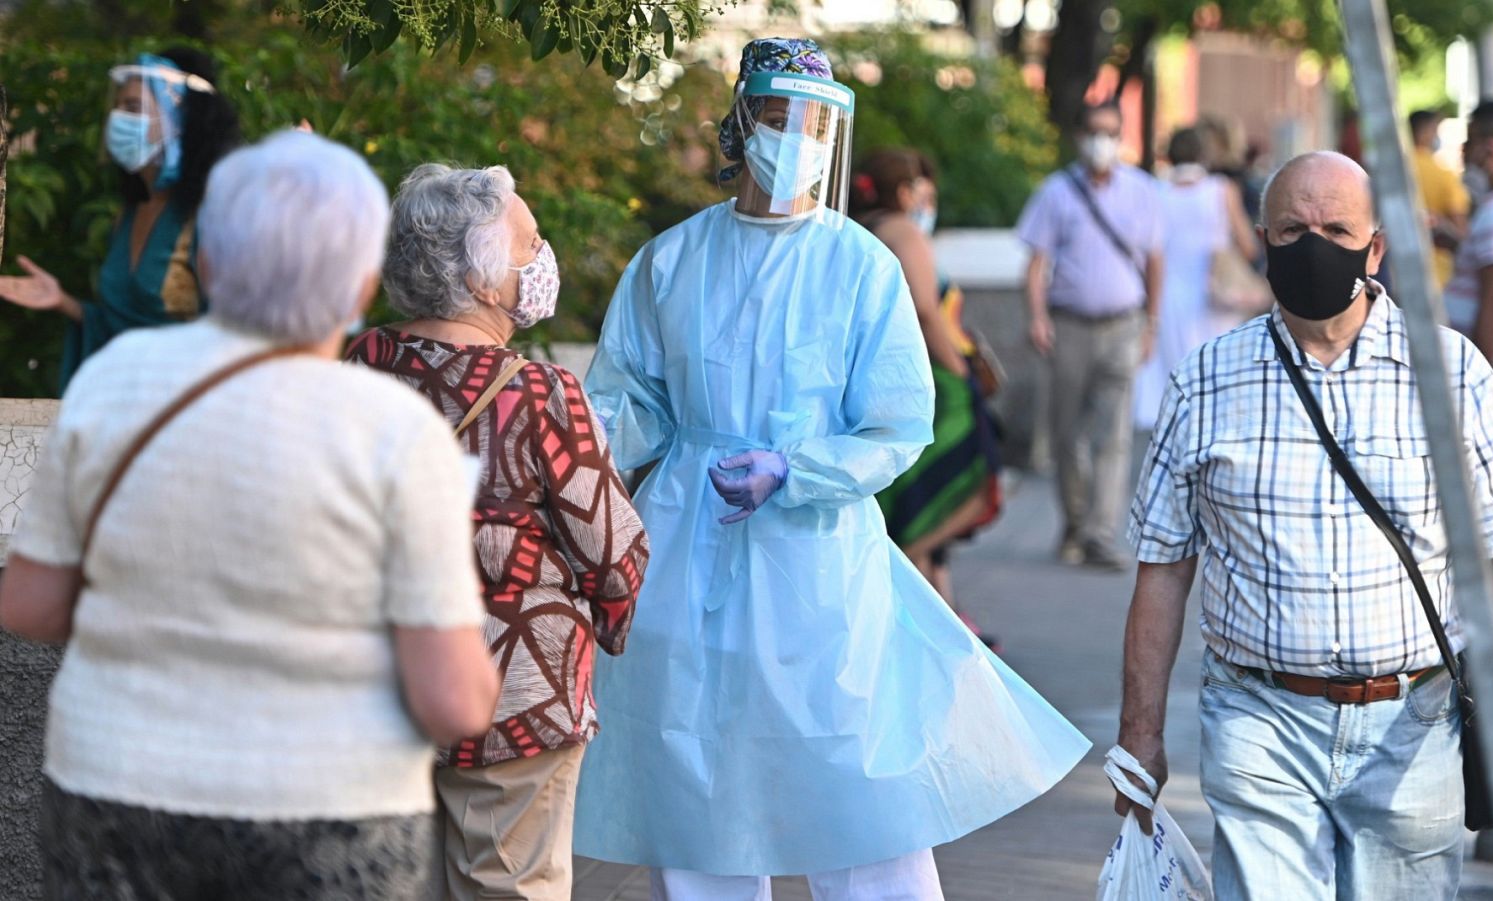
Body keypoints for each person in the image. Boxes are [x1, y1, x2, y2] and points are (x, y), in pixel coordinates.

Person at [575, 38, 1088, 899]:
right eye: (782, 121)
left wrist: (797, 469)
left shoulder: (859, 264)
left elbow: (896, 422)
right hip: (689, 539)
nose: (799, 145)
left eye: (818, 129)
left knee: (855, 776)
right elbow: (626, 399)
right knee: (694, 771)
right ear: (744, 123)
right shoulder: (672, 260)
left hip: (817, 558)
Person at [0, 131, 500, 899]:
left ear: (205, 263)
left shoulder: (113, 382)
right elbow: (455, 699)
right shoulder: (398, 432)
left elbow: (29, 604)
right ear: (363, 284)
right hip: (333, 810)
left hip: (116, 788)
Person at [1116, 151, 1493, 899]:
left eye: (1337, 230)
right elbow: (1163, 567)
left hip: (1413, 725)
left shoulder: (1451, 373)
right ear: (1261, 240)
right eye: (1292, 230)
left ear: (1374, 249)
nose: (1312, 246)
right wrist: (1141, 734)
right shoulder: (1203, 381)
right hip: (1258, 719)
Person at [347, 162, 650, 900]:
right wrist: (605, 626)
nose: (542, 258)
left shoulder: (359, 367)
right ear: (483, 282)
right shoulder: (542, 395)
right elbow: (614, 554)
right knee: (509, 887)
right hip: (514, 697)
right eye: (529, 242)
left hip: (383, 682)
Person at [0, 48, 240, 392]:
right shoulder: (129, 213)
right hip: (122, 400)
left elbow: (234, 334)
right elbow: (123, 329)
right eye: (117, 106)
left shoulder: (211, 215)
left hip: (182, 404)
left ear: (178, 119)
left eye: (133, 107)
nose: (118, 118)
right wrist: (64, 302)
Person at [851, 148, 1002, 641]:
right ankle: (904, 569)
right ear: (902, 190)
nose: (924, 201)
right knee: (963, 480)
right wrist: (962, 374)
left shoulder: (856, 230)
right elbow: (925, 309)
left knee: (915, 486)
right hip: (930, 375)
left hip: (879, 374)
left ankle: (939, 609)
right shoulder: (903, 231)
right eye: (919, 189)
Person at [1018, 101, 1165, 571]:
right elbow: (1036, 264)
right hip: (1069, 326)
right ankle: (1075, 523)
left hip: (1123, 324)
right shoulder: (1056, 192)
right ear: (1080, 136)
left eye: (1111, 132)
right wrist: (1037, 317)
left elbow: (1155, 260)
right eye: (1095, 131)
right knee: (1067, 434)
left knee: (1113, 435)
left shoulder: (1142, 191)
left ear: (1121, 137)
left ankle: (1101, 534)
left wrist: (1151, 325)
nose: (1103, 141)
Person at [1133, 127, 1260, 432]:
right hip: (1215, 298)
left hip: (1166, 299)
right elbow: (1249, 246)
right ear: (1206, 154)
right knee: (1214, 385)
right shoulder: (1221, 190)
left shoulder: (1154, 192)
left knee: (1173, 389)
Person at [1445, 100, 1493, 364]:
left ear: (1490, 148)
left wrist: (1484, 367)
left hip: (1469, 359)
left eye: (1470, 142)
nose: (1464, 150)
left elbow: (1491, 301)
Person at [1408, 108, 1472, 290]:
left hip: (1393, 267)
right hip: (1436, 273)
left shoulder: (1392, 172)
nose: (1437, 137)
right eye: (1435, 131)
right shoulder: (1445, 175)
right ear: (1423, 133)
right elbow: (1461, 232)